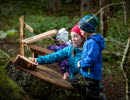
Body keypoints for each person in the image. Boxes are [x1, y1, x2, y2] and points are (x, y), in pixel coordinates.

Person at [71, 14, 106, 100]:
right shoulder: (89, 40)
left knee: (92, 96)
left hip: (91, 75)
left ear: (88, 29)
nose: (80, 30)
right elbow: (86, 55)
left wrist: (81, 63)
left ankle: (100, 97)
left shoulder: (92, 43)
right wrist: (80, 60)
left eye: (81, 28)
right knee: (74, 82)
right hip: (85, 72)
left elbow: (90, 60)